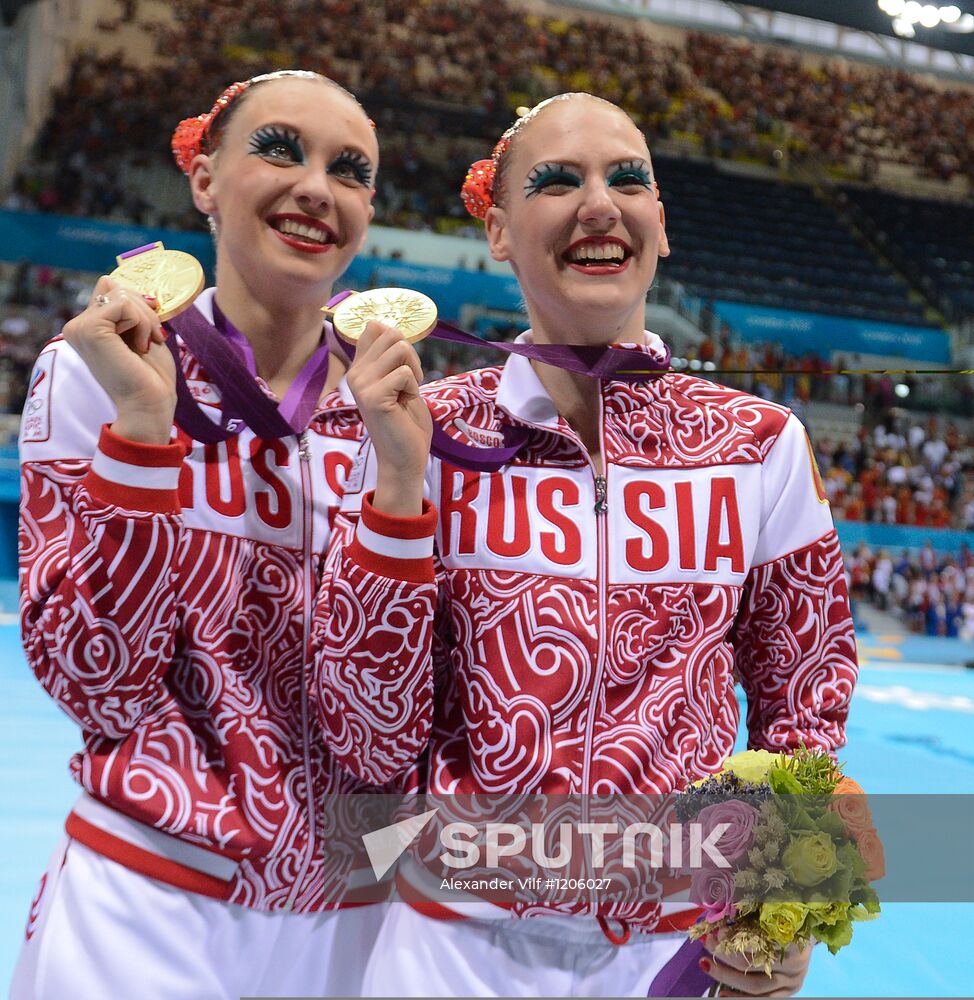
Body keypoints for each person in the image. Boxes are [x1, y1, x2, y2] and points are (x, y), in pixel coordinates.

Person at [314, 93, 859, 997]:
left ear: (661, 226)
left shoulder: (760, 446)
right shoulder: (418, 430)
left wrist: (784, 899)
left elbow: (805, 699)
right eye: (558, 181)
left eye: (628, 180)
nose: (600, 204)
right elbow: (364, 737)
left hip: (674, 951)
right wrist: (399, 491)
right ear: (498, 230)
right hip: (450, 949)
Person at [13, 70, 388, 1000]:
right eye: (279, 149)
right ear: (204, 179)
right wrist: (144, 435)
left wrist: (757, 898)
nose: (317, 187)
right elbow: (95, 681)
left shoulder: (403, 413)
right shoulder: (99, 368)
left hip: (358, 916)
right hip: (146, 905)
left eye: (350, 170)